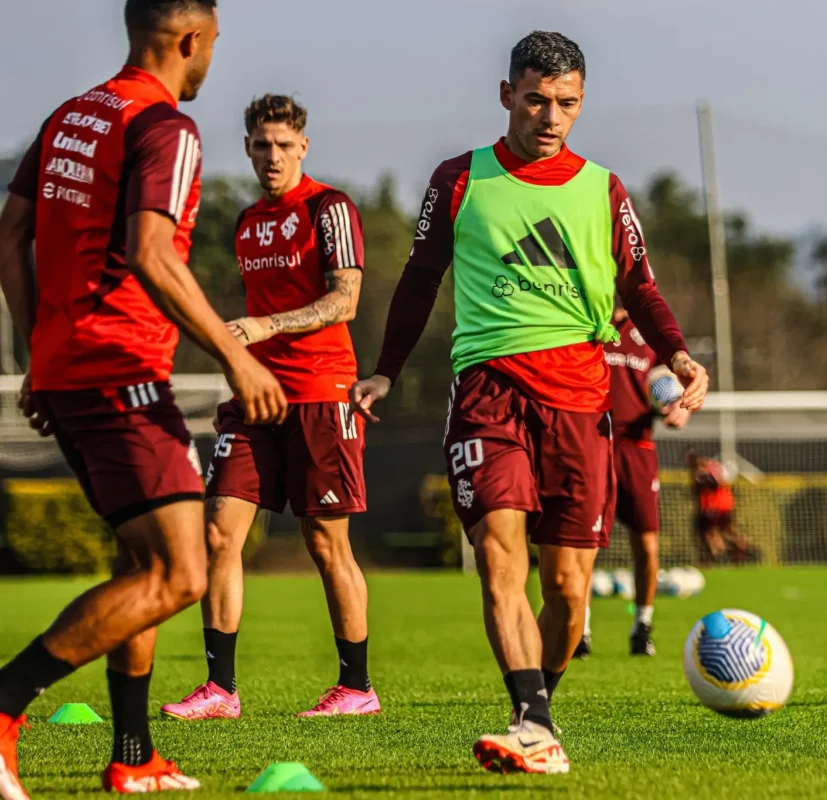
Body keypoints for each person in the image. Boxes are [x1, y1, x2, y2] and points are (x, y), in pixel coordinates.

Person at [350, 31, 707, 775]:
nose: (551, 116)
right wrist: (384, 369)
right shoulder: (459, 179)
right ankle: (532, 723)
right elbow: (420, 278)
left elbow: (639, 285)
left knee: (569, 594)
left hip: (582, 402)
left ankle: (537, 710)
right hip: (489, 390)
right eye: (538, 99)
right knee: (498, 557)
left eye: (567, 103)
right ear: (507, 93)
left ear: (582, 102)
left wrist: (675, 351)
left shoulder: (604, 189)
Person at [0, 1, 288, 795]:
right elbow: (152, 254)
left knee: (143, 563)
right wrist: (238, 359)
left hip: (69, 371)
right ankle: (2, 705)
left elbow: (9, 232)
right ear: (192, 39)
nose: (211, 60)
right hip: (120, 371)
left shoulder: (72, 115)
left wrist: (37, 350)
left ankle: (132, 757)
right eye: (214, 46)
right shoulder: (165, 127)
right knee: (182, 574)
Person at [161, 95, 377, 721]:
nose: (273, 156)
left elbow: (345, 301)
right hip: (255, 399)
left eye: (284, 145)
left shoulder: (328, 208)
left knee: (324, 542)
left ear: (303, 146)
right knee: (217, 533)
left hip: (320, 394)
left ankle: (356, 687)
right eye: (261, 146)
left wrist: (263, 326)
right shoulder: (248, 220)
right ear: (249, 148)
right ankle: (220, 690)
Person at [574, 308, 691, 660]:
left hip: (637, 450)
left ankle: (642, 626)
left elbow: (670, 386)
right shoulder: (580, 320)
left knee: (647, 543)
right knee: (585, 544)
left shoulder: (647, 332)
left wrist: (678, 407)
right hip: (592, 444)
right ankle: (580, 629)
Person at [686, 452, 754, 564]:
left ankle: (719, 554)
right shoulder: (714, 469)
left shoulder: (706, 471)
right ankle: (738, 548)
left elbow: (710, 484)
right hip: (724, 506)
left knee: (712, 533)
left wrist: (697, 474)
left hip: (714, 508)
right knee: (726, 531)